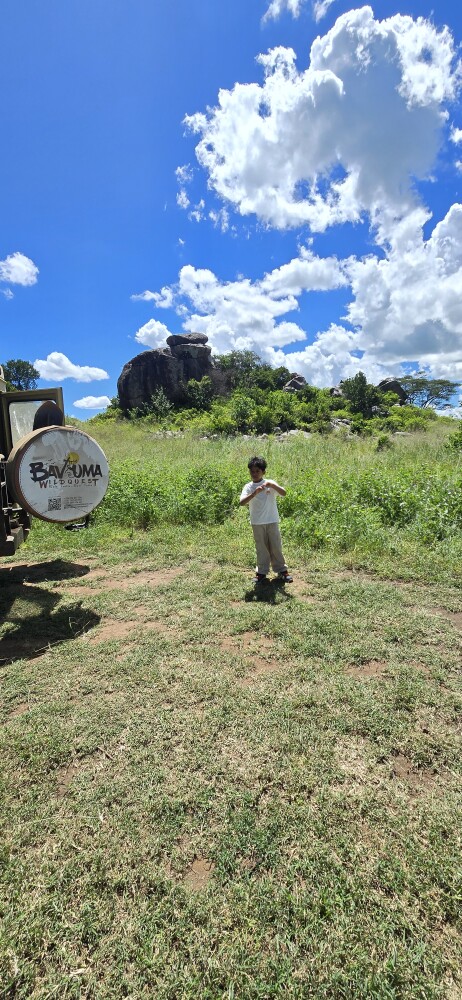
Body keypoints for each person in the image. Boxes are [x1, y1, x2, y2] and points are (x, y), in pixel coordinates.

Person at [239, 456, 293, 584]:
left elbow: (284, 493)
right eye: (252, 471)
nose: (254, 474)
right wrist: (254, 493)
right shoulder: (248, 487)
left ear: (263, 472)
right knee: (261, 548)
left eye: (257, 471)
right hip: (257, 522)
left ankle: (282, 571)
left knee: (276, 546)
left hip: (272, 520)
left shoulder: (270, 483)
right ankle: (261, 573)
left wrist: (273, 485)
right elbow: (242, 502)